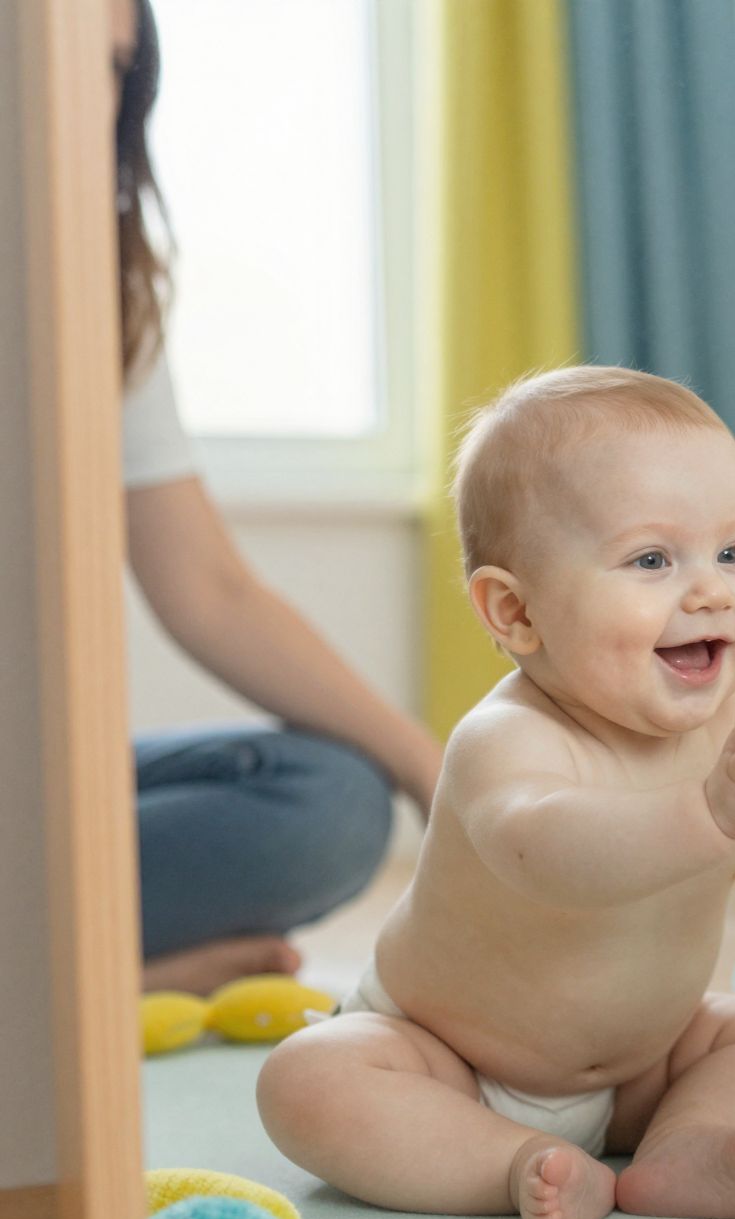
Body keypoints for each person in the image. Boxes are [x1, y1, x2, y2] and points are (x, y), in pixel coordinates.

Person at [256, 366, 735, 1219]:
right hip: (443, 1058)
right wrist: (707, 813)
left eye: (734, 552)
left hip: (641, 1069)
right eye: (653, 560)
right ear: (516, 610)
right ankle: (503, 1161)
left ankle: (686, 1148)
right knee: (308, 1081)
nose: (710, 591)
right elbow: (552, 850)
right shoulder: (509, 738)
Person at [112, 0, 440, 995]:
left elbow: (208, 588)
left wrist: (443, 777)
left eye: (113, 74)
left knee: (335, 800)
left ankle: (75, 960)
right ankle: (105, 976)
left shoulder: (103, 294)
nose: (84, 104)